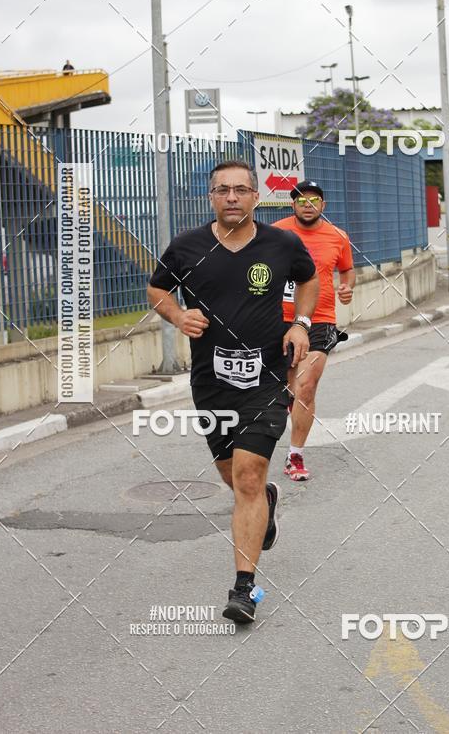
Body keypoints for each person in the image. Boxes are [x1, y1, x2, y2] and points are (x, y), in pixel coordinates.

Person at [147, 160, 318, 624]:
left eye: (241, 190)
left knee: (247, 474)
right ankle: (266, 500)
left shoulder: (282, 244)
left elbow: (308, 279)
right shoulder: (187, 247)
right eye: (222, 190)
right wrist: (178, 316)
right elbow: (157, 289)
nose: (232, 198)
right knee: (232, 474)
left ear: (255, 197)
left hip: (266, 376)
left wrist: (301, 324)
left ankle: (244, 589)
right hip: (211, 381)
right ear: (211, 197)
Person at [273, 180, 355, 481]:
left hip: (319, 320)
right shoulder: (276, 233)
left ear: (323, 205)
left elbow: (346, 269)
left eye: (314, 200)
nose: (308, 205)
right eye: (301, 200)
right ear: (292, 204)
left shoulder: (337, 236)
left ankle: (295, 455)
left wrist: (347, 287)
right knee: (287, 386)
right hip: (277, 319)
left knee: (306, 386)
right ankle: (289, 400)